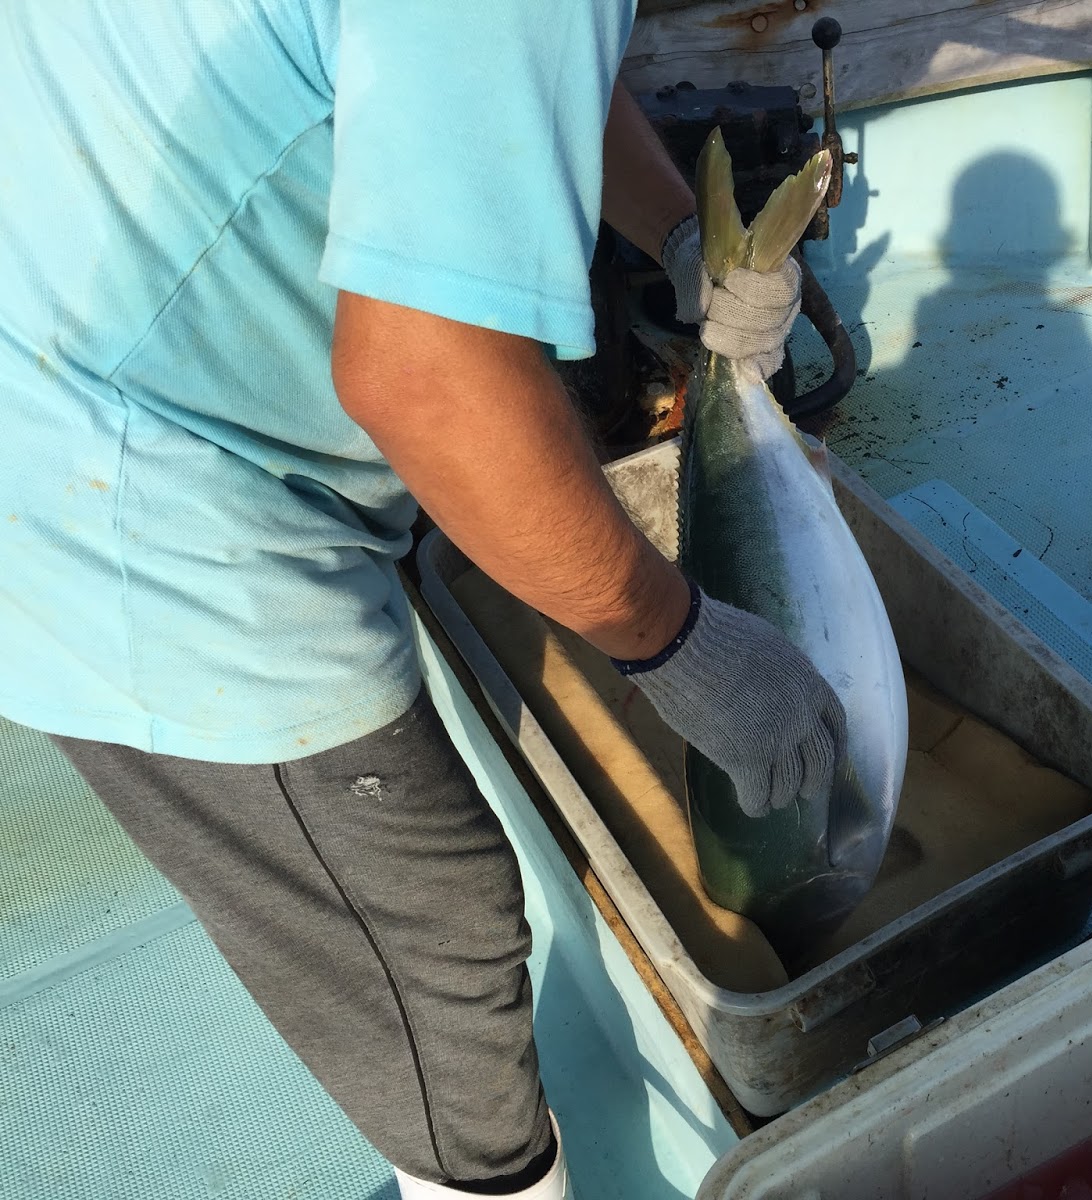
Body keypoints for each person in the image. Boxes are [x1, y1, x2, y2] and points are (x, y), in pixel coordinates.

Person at [0, 3, 846, 1197]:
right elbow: (429, 387)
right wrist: (683, 648)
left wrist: (675, 231)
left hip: (63, 298)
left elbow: (521, 64)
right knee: (433, 933)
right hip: (118, 506)